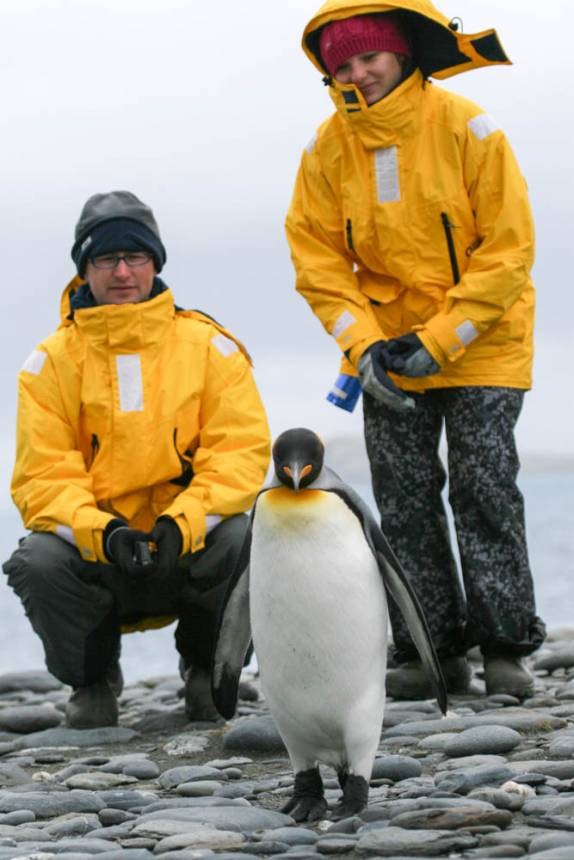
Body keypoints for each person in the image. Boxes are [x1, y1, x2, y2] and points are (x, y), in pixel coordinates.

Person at [285, 0, 546, 699]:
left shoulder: (468, 126)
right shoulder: (324, 149)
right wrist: (363, 346)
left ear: (400, 53)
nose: (359, 72)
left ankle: (505, 648)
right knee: (402, 503)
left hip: (483, 343)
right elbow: (318, 263)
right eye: (343, 63)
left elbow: (510, 247)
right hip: (387, 358)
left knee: (483, 490)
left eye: (370, 57)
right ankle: (430, 651)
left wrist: (442, 339)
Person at [3, 191, 270, 728]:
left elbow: (239, 455)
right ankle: (93, 679)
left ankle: (208, 670)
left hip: (183, 546)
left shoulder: (208, 348)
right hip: (105, 555)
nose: (122, 271)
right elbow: (42, 478)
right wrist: (103, 533)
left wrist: (184, 523)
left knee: (245, 536)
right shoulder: (48, 364)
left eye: (136, 256)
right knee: (38, 559)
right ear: (85, 268)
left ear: (155, 262)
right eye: (106, 258)